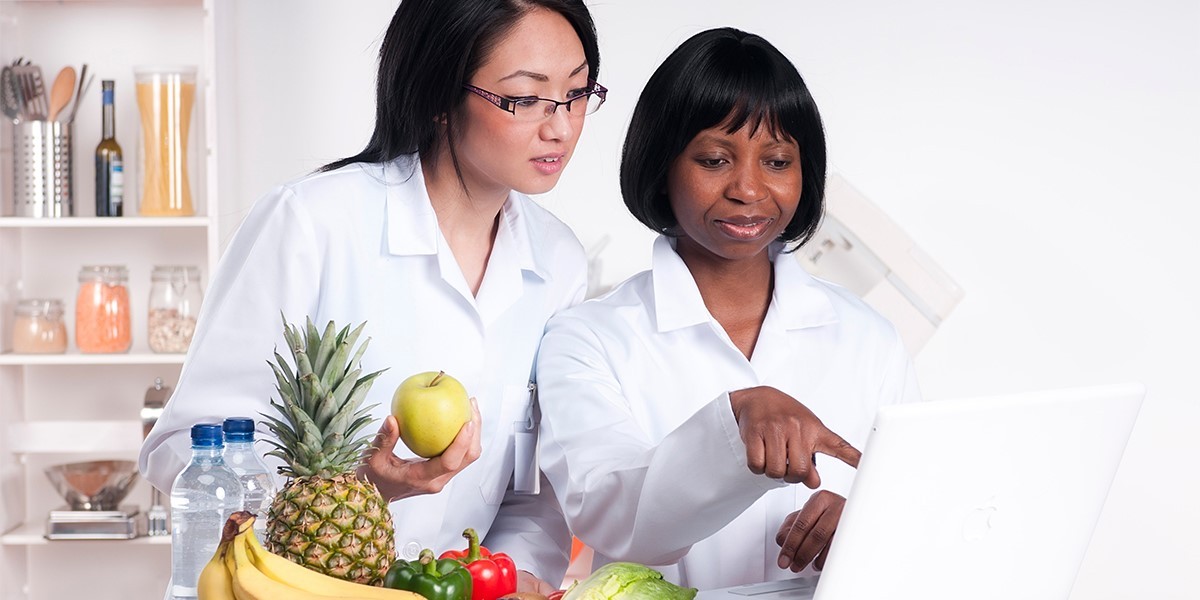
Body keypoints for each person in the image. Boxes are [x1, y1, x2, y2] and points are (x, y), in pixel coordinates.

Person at [140, 0, 606, 591]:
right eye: (524, 98)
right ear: (440, 95)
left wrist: (509, 580)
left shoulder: (557, 259)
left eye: (577, 93)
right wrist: (355, 490)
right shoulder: (311, 222)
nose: (560, 126)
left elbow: (531, 496)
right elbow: (186, 447)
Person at [535, 27, 920, 591]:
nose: (748, 188)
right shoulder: (588, 337)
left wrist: (867, 525)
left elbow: (924, 507)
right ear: (662, 166)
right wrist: (731, 424)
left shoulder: (870, 339)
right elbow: (616, 524)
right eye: (715, 159)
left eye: (778, 160)